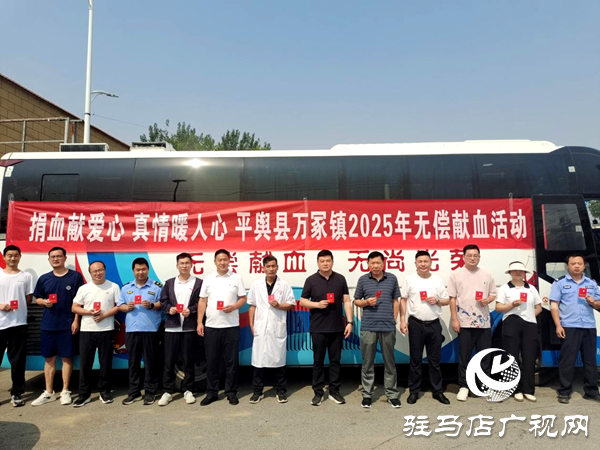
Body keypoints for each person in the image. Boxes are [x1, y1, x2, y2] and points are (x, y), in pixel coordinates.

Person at [31, 247, 84, 406]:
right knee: (49, 358)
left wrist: (76, 320)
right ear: (49, 259)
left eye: (59, 256)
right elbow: (37, 298)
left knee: (67, 358)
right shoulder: (44, 278)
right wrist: (44, 302)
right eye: (53, 257)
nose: (56, 259)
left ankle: (65, 391)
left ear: (65, 258)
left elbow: (80, 301)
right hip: (48, 325)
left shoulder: (75, 277)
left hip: (67, 325)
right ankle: (49, 392)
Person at [300, 250, 353, 406]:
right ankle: (318, 392)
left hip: (337, 328)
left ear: (332, 262)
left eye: (328, 260)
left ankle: (334, 391)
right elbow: (303, 301)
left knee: (335, 361)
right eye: (322, 261)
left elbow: (347, 301)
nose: (325, 263)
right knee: (318, 361)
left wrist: (350, 322)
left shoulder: (340, 279)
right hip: (318, 328)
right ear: (318, 263)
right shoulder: (311, 280)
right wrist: (317, 304)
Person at [197, 249, 247, 406]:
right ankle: (211, 393)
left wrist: (233, 307)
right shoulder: (208, 279)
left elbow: (243, 298)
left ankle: (231, 392)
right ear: (215, 262)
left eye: (225, 259)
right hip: (212, 326)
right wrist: (199, 322)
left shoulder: (236, 278)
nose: (222, 262)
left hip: (231, 326)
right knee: (212, 361)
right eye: (220, 260)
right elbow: (202, 301)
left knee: (231, 361)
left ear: (229, 261)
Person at [400, 250, 450, 405]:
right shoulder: (410, 280)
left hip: (434, 324)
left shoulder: (437, 280)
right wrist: (402, 320)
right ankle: (414, 391)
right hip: (416, 324)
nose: (423, 264)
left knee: (434, 360)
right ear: (415, 263)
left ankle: (437, 391)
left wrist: (437, 301)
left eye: (426, 261)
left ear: (430, 263)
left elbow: (447, 300)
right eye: (420, 261)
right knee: (415, 359)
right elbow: (403, 300)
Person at [448, 244, 496, 402]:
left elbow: (493, 293)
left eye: (475, 255)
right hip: (464, 322)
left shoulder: (487, 274)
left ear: (479, 257)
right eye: (469, 255)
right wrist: (454, 319)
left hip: (484, 322)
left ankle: (484, 385)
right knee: (465, 357)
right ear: (463, 257)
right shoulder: (456, 274)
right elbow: (452, 298)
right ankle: (464, 386)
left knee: (484, 356)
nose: (472, 258)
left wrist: (488, 299)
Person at [549, 253, 600, 404]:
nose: (576, 266)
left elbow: (599, 304)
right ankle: (564, 391)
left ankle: (591, 391)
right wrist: (558, 325)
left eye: (579, 263)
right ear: (568, 266)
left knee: (590, 361)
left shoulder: (591, 283)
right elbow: (554, 305)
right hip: (569, 326)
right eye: (573, 264)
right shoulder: (559, 283)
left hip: (588, 326)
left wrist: (593, 302)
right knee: (567, 360)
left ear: (584, 266)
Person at [354, 251, 401, 409]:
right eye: (372, 263)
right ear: (368, 264)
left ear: (383, 263)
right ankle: (367, 395)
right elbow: (356, 301)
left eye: (378, 263)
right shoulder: (363, 280)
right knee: (368, 362)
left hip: (388, 326)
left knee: (390, 362)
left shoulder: (392, 278)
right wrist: (366, 302)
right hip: (368, 326)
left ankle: (392, 395)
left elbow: (395, 301)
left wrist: (394, 319)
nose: (375, 266)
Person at [247, 255, 296, 404]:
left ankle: (281, 391)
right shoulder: (256, 285)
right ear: (263, 268)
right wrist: (251, 324)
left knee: (279, 360)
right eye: (268, 266)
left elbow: (291, 304)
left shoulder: (284, 285)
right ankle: (257, 391)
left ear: (277, 267)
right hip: (261, 326)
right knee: (258, 361)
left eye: (273, 266)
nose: (271, 269)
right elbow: (252, 305)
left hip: (277, 326)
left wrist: (279, 305)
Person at [71, 261, 120, 407]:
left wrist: (104, 315)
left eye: (100, 270)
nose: (98, 273)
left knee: (106, 362)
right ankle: (84, 394)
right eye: (94, 271)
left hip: (106, 329)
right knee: (85, 363)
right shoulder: (84, 288)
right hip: (87, 330)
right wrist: (88, 312)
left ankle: (104, 392)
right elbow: (74, 307)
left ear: (105, 270)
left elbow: (118, 306)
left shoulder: (113, 286)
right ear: (90, 273)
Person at [158, 253, 202, 406]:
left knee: (189, 360)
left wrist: (191, 310)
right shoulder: (170, 283)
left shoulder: (198, 283)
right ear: (177, 265)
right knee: (169, 361)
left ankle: (188, 390)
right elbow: (163, 301)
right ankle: (167, 391)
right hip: (172, 327)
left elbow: (201, 302)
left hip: (189, 327)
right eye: (181, 263)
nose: (184, 265)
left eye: (187, 263)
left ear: (191, 265)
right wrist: (169, 309)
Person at [117, 257, 162, 406]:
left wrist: (151, 305)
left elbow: (163, 304)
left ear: (148, 270)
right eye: (138, 269)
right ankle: (134, 392)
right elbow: (120, 306)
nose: (140, 272)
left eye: (143, 269)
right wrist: (127, 307)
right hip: (132, 330)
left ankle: (150, 392)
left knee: (150, 362)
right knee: (133, 362)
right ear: (133, 271)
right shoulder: (126, 287)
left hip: (150, 330)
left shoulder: (156, 287)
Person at [495, 261, 542, 402]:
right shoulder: (504, 288)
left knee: (529, 357)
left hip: (529, 324)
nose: (518, 273)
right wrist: (512, 305)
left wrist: (529, 316)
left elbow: (539, 307)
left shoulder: (531, 289)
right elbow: (499, 308)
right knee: (512, 357)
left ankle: (529, 390)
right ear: (510, 273)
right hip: (511, 322)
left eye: (521, 271)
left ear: (525, 273)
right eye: (514, 270)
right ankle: (516, 389)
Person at [0, 245, 34, 407]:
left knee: (18, 362)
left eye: (15, 255)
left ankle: (17, 393)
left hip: (18, 324)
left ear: (20, 257)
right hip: (0, 325)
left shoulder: (26, 276)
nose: (12, 258)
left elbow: (28, 299)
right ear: (4, 257)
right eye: (9, 255)